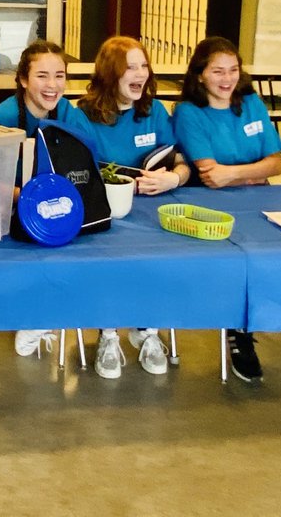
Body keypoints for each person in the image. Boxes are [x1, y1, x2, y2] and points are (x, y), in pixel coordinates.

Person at [76, 36, 191, 378]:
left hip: (152, 208)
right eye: (131, 67)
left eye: (144, 66)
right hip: (105, 212)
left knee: (161, 258)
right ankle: (108, 331)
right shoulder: (83, 115)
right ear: (111, 73)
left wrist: (175, 179)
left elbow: (180, 160)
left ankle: (148, 329)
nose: (141, 73)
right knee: (109, 260)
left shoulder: (154, 110)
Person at [171, 37, 281, 385]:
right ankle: (239, 334)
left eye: (233, 70)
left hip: (260, 200)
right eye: (217, 71)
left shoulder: (251, 103)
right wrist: (254, 170)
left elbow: (277, 164)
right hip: (211, 206)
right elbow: (209, 174)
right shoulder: (189, 111)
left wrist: (235, 173)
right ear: (200, 75)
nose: (227, 78)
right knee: (236, 264)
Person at [0, 40, 91, 359]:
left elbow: (87, 168)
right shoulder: (1, 118)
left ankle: (53, 313)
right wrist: (26, 198)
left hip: (56, 208)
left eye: (60, 76)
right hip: (8, 211)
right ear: (23, 79)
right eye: (42, 76)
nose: (53, 85)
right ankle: (34, 316)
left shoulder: (70, 115)